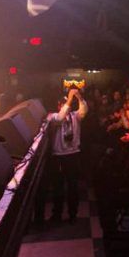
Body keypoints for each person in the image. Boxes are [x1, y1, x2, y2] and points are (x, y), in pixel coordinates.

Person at [46, 86, 88, 222]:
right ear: (59, 105)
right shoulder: (52, 116)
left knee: (72, 186)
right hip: (59, 156)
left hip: (73, 154)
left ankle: (72, 214)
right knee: (58, 187)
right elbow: (60, 118)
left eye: (68, 103)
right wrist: (69, 99)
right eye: (64, 103)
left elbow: (84, 110)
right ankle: (57, 214)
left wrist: (79, 97)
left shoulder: (75, 116)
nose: (68, 105)